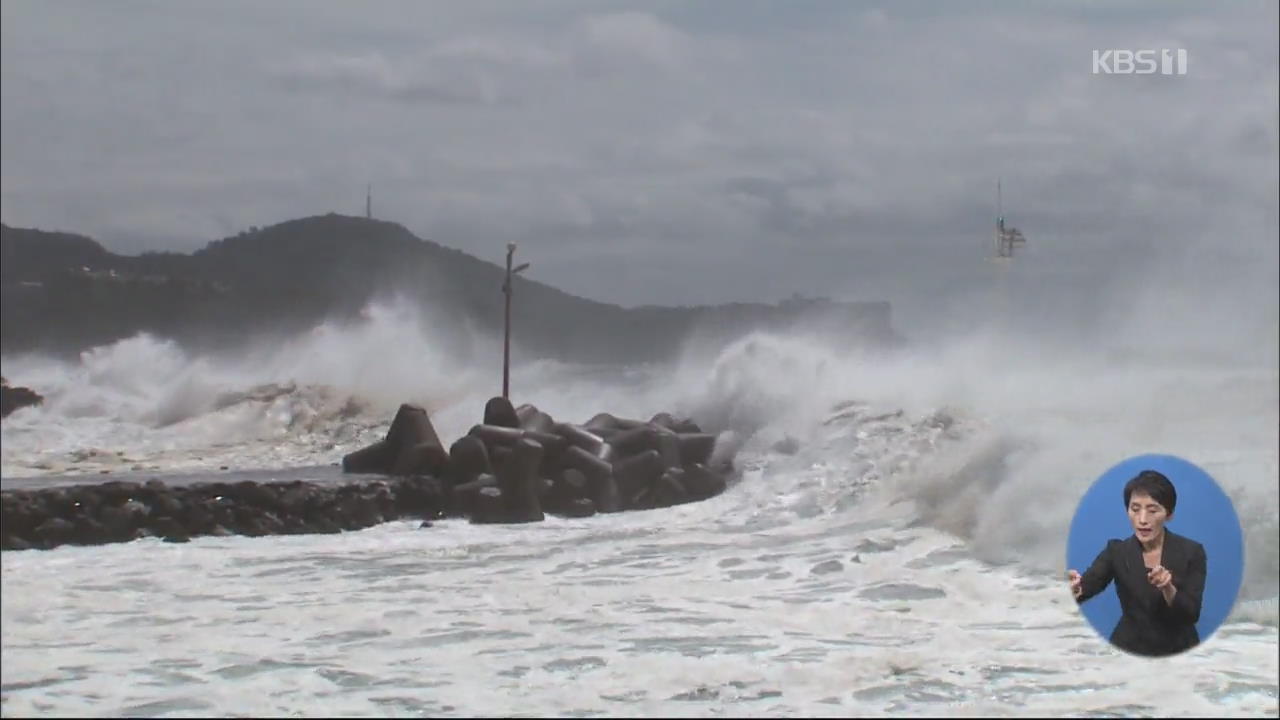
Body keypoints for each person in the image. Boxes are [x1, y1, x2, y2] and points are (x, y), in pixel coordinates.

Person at [1067, 469, 1207, 657]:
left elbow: (1191, 614)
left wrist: (1168, 588)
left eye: (1152, 510)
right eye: (1135, 509)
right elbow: (1087, 586)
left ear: (1169, 514)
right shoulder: (1116, 551)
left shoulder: (1192, 552)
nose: (1142, 520)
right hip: (1128, 651)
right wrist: (1074, 589)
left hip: (1179, 653)